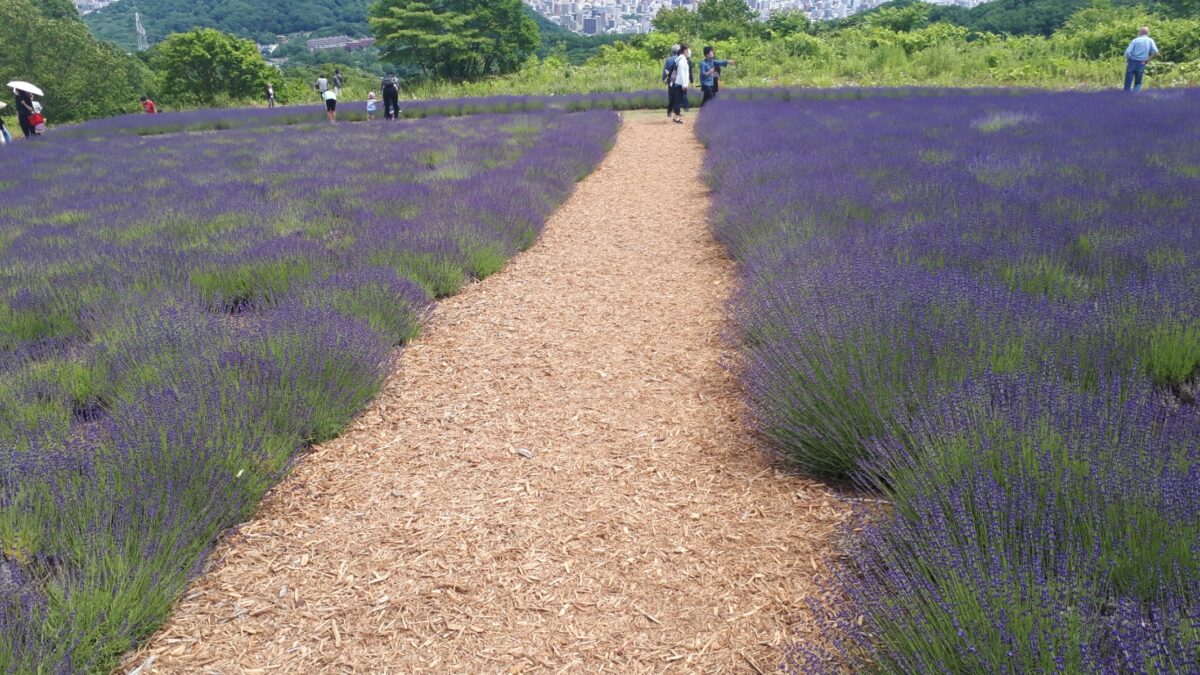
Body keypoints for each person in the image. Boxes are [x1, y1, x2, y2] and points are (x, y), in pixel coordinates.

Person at [1124, 27, 1159, 94]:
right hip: (1142, 63)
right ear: (1147, 33)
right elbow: (1156, 52)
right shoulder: (1150, 40)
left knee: (1128, 80)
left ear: (1140, 32)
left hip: (1132, 61)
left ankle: (1126, 96)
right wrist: (1147, 60)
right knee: (1138, 82)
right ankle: (1135, 96)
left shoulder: (1135, 40)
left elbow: (1128, 52)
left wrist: (1128, 60)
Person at [668, 44, 691, 124]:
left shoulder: (682, 59)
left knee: (678, 101)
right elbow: (681, 73)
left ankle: (676, 117)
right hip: (680, 83)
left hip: (680, 83)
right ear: (684, 51)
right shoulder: (681, 60)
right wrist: (684, 85)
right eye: (688, 50)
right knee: (678, 101)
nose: (689, 52)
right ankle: (676, 118)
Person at [663, 44, 680, 118]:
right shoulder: (681, 59)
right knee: (678, 95)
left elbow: (666, 70)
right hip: (679, 80)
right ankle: (676, 111)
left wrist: (664, 78)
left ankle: (670, 111)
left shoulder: (669, 60)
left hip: (671, 80)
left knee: (671, 95)